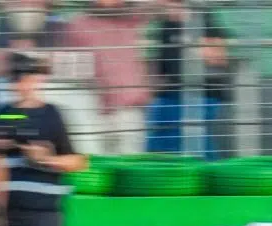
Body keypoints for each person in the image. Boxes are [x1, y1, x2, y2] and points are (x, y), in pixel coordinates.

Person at [0, 54, 84, 226]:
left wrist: (46, 159)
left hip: (45, 213)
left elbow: (77, 162)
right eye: (17, 80)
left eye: (28, 78)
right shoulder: (3, 114)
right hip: (11, 213)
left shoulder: (51, 115)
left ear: (38, 80)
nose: (22, 85)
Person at [62, 0, 154, 155]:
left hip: (129, 111)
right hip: (94, 112)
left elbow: (155, 7)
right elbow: (70, 70)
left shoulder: (133, 17)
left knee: (128, 166)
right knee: (99, 166)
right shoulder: (78, 24)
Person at [146, 0, 232, 158]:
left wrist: (200, 49)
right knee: (161, 133)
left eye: (169, 5)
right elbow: (162, 65)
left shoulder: (203, 19)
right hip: (173, 91)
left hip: (203, 91)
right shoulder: (167, 26)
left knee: (194, 137)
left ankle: (207, 173)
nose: (166, 9)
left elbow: (219, 57)